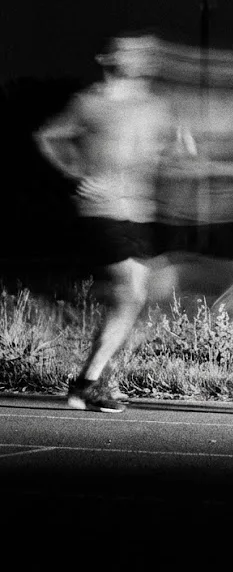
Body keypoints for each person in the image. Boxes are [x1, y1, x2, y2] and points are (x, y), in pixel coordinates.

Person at [34, 33, 195, 412]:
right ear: (106, 59)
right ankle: (86, 385)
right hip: (102, 209)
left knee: (144, 295)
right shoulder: (89, 102)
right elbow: (47, 136)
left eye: (141, 54)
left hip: (140, 212)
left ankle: (96, 375)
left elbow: (178, 151)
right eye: (129, 52)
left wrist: (180, 145)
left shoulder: (156, 105)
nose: (139, 58)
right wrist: (75, 174)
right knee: (132, 293)